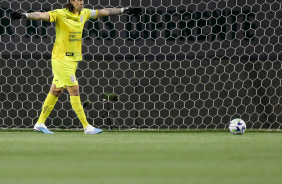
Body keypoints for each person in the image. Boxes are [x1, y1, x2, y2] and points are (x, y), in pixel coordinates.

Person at [10, 0, 142, 134]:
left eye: (83, 0)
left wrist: (124, 10)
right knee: (74, 89)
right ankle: (87, 127)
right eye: (79, 0)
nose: (82, 2)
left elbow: (103, 12)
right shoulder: (61, 14)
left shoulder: (84, 13)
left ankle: (39, 123)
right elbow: (42, 15)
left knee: (56, 91)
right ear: (72, 1)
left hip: (74, 59)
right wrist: (24, 15)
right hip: (61, 58)